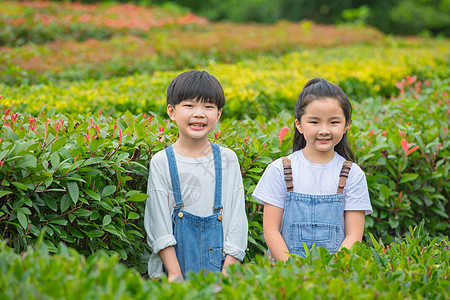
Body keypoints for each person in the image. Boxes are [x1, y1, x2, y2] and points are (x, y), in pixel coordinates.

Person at [252, 78, 372, 261]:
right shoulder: (279, 170)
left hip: (335, 275)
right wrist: (291, 268)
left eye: (334, 122)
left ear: (347, 125)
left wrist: (331, 270)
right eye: (314, 122)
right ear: (299, 125)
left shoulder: (353, 175)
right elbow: (271, 231)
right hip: (285, 276)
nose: (324, 130)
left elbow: (354, 236)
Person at [144, 70, 248, 281]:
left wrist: (227, 274)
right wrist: (174, 274)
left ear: (218, 114)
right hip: (170, 272)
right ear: (171, 111)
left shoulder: (227, 159)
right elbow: (158, 224)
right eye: (189, 106)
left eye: (208, 107)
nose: (199, 113)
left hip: (220, 273)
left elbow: (237, 219)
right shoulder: (162, 161)